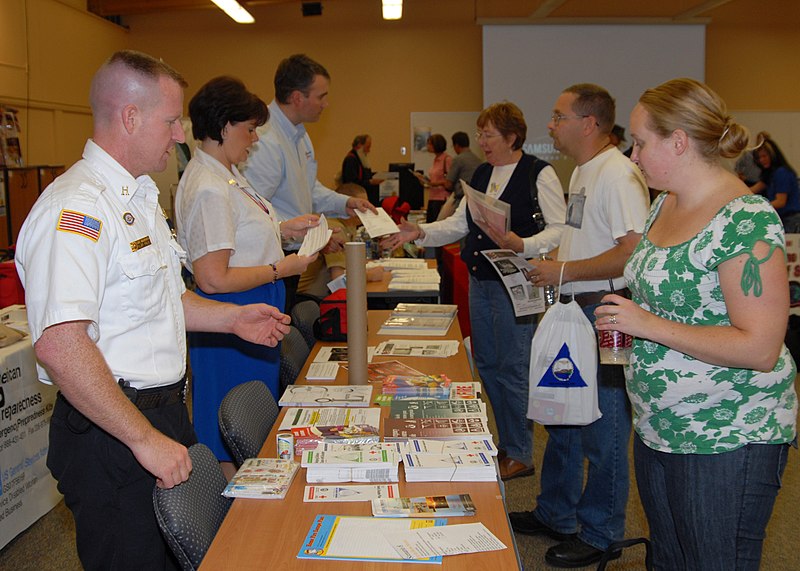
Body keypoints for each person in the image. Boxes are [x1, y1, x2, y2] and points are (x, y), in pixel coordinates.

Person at [14, 50, 290, 571]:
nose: (180, 135)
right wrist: (144, 440)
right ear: (130, 117)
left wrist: (231, 318)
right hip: (113, 430)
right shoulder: (76, 209)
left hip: (156, 415)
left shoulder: (137, 198)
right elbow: (61, 343)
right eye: (171, 121)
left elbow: (161, 300)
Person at [596, 77, 798, 570]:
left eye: (641, 142)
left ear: (679, 141)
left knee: (715, 560)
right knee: (669, 559)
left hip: (727, 430)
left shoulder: (745, 220)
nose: (634, 154)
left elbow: (760, 347)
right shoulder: (664, 203)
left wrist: (645, 324)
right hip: (660, 424)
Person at [381, 102, 567, 481]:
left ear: (512, 137)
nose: (482, 141)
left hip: (516, 283)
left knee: (513, 367)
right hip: (482, 280)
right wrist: (420, 232)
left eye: (489, 135)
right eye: (480, 133)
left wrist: (522, 244)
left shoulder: (538, 172)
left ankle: (520, 452)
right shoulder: (482, 173)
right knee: (486, 365)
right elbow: (458, 224)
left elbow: (560, 229)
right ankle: (506, 442)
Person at [510, 83, 649, 568]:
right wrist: (557, 262)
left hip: (603, 310)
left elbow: (631, 250)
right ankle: (557, 512)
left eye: (557, 116)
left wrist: (564, 271)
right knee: (563, 412)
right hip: (574, 307)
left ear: (589, 123)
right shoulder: (585, 171)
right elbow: (588, 238)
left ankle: (602, 531)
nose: (550, 125)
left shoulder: (617, 173)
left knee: (604, 427)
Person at [174, 76, 318, 478]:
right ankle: (234, 518)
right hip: (231, 316)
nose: (255, 139)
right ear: (224, 127)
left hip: (251, 308)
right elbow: (213, 277)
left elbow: (237, 237)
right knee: (231, 427)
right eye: (250, 128)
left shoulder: (227, 174)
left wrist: (285, 230)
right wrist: (280, 268)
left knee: (251, 423)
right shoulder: (209, 188)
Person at [241, 54, 375, 310]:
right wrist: (312, 233)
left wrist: (345, 203)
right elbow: (254, 210)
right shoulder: (267, 140)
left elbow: (308, 189)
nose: (326, 104)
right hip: (272, 259)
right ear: (297, 98)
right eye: (321, 96)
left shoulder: (299, 135)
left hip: (292, 253)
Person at [298, 183, 384, 299]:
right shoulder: (335, 228)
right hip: (312, 301)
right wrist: (369, 275)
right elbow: (338, 282)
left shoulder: (350, 226)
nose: (365, 210)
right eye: (361, 206)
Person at [750, 132, 800, 232]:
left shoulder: (781, 172)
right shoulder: (770, 175)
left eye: (764, 156)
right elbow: (750, 190)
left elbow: (780, 202)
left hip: (791, 220)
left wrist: (758, 207)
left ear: (773, 155)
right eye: (759, 158)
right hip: (784, 219)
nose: (761, 160)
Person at [437, 130, 483, 221]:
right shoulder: (478, 159)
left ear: (456, 145)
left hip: (460, 199)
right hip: (476, 201)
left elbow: (448, 184)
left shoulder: (458, 159)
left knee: (442, 220)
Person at [417, 133, 453, 223]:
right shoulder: (436, 159)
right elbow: (434, 179)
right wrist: (424, 180)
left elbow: (450, 180)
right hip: (432, 197)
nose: (427, 146)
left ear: (436, 145)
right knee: (430, 223)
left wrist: (435, 183)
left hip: (442, 198)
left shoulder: (447, 159)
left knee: (438, 223)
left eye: (429, 144)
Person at [341, 134, 383, 205]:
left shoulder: (359, 158)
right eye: (367, 147)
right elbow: (352, 183)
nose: (369, 150)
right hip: (356, 196)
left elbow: (365, 175)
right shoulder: (351, 159)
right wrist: (370, 182)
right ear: (359, 145)